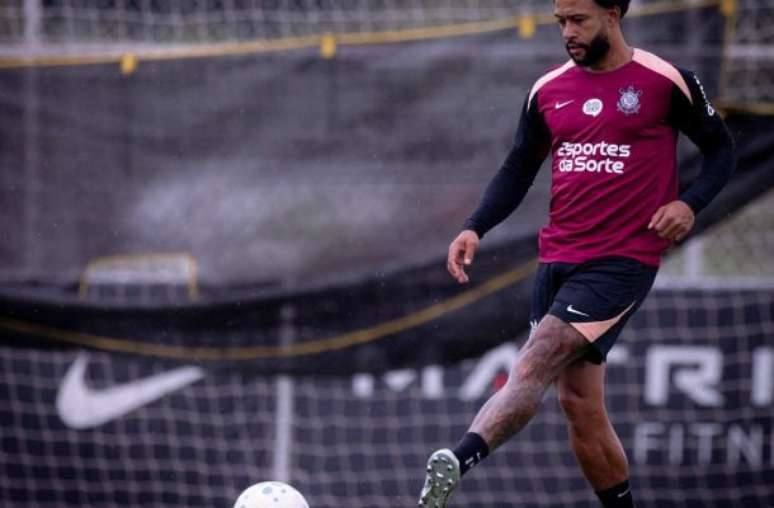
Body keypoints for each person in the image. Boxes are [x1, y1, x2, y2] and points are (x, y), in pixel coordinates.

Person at [417, 0, 736, 506]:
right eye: (560, 21)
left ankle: (458, 460)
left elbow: (723, 151)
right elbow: (520, 166)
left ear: (613, 13)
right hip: (558, 259)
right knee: (580, 405)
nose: (567, 32)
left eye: (578, 20)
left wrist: (690, 203)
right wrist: (475, 226)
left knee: (533, 362)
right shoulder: (547, 90)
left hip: (621, 261)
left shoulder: (665, 80)